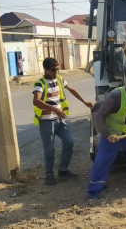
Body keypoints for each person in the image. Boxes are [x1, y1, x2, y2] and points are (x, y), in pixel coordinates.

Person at [32, 57, 94, 185]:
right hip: (47, 121)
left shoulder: (59, 79)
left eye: (57, 69)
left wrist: (85, 102)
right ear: (45, 69)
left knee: (69, 142)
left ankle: (63, 170)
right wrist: (54, 109)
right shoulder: (40, 83)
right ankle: (49, 175)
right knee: (49, 149)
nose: (56, 72)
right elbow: (36, 101)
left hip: (60, 120)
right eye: (53, 70)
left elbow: (72, 90)